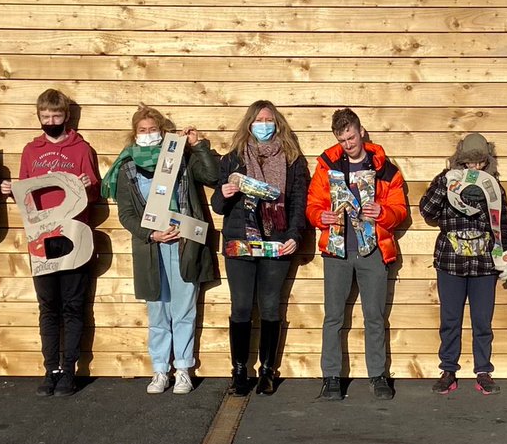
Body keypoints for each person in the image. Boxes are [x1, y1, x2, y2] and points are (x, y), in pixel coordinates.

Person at [104, 105, 218, 395]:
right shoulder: (126, 167)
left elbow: (212, 176)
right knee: (158, 311)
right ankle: (159, 370)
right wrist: (150, 234)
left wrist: (199, 145)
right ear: (134, 134)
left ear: (162, 131)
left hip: (183, 243)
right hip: (151, 249)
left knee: (183, 310)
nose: (147, 135)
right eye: (142, 131)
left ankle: (182, 369)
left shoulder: (179, 157)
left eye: (152, 129)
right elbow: (127, 214)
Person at [0, 89, 99, 398]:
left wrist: (89, 185)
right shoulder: (32, 150)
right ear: (39, 116)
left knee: (72, 305)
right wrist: (10, 190)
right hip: (41, 238)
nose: (50, 121)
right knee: (48, 306)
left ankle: (69, 369)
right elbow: (26, 194)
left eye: (56, 116)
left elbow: (94, 194)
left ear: (66, 116)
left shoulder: (82, 149)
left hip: (74, 236)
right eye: (45, 117)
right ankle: (50, 369)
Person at [306, 108, 409, 400]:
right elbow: (312, 204)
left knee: (374, 316)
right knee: (333, 317)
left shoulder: (386, 169)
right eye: (342, 139)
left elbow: (400, 210)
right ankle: (331, 378)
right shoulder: (326, 166)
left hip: (373, 251)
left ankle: (378, 376)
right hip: (336, 250)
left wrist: (383, 212)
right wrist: (320, 217)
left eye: (351, 136)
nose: (348, 143)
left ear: (361, 132)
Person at [211, 101, 309, 396]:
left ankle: (267, 371)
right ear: (249, 124)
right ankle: (239, 371)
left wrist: (295, 234)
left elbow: (298, 202)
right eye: (258, 120)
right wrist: (224, 193)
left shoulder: (293, 160)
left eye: (268, 119)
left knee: (269, 305)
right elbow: (218, 206)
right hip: (240, 242)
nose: (263, 124)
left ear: (277, 123)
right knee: (241, 306)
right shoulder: (233, 160)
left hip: (275, 242)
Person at [419, 133, 507, 396]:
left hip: (484, 264)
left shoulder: (494, 186)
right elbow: (427, 211)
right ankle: (448, 370)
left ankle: (483, 371)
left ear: (487, 161)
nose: (475, 168)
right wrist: (444, 184)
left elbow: (503, 224)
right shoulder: (446, 179)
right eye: (469, 162)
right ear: (461, 159)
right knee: (450, 319)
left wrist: (506, 256)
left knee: (482, 320)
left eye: (480, 162)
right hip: (451, 261)